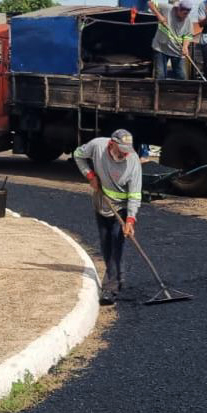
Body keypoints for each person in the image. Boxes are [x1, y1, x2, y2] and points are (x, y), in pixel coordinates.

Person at [73, 128, 143, 305]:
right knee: (106, 245)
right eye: (121, 151)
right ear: (111, 144)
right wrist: (89, 175)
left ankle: (110, 288)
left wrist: (130, 220)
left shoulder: (133, 161)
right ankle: (118, 276)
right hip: (101, 204)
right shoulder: (96, 146)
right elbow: (78, 154)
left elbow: (135, 195)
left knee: (116, 244)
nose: (124, 155)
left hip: (121, 209)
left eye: (127, 151)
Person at [148, 0, 193, 80]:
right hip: (161, 47)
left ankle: (181, 92)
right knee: (160, 75)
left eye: (187, 14)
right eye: (183, 14)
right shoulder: (167, 8)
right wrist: (159, 16)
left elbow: (188, 36)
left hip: (177, 50)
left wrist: (185, 46)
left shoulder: (188, 21)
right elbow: (150, 3)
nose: (184, 17)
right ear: (178, 9)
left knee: (181, 76)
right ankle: (159, 92)